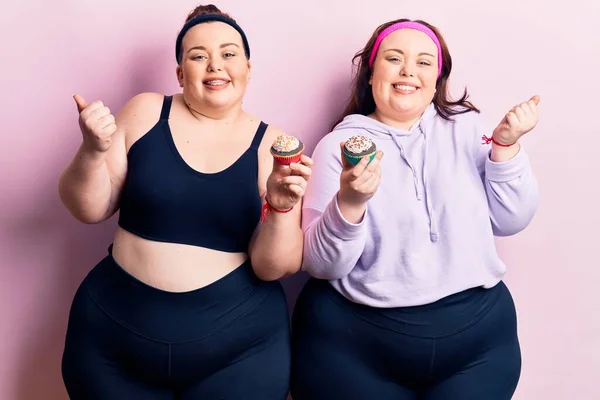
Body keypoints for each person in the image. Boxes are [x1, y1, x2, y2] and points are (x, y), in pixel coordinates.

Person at [59, 4, 312, 399]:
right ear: (180, 73)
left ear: (248, 68)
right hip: (115, 339)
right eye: (198, 56)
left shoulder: (275, 147)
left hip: (236, 350)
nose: (215, 65)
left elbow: (274, 266)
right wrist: (92, 150)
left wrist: (279, 207)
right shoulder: (145, 113)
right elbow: (88, 208)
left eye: (229, 53)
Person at [290, 18, 539, 400]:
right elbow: (323, 266)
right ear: (371, 74)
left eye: (424, 62)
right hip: (357, 348)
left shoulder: (470, 129)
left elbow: (511, 220)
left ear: (437, 78)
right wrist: (350, 203)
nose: (409, 70)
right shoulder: (337, 147)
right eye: (394, 58)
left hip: (477, 345)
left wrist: (504, 149)